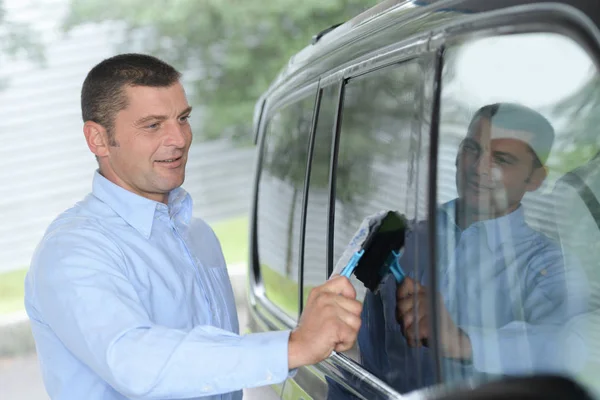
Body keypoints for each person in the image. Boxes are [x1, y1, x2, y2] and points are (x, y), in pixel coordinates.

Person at [23, 53, 363, 400]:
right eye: (153, 125)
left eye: (182, 119)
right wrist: (293, 347)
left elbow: (211, 367)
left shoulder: (197, 235)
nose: (179, 138)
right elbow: (134, 360)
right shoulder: (72, 250)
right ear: (97, 139)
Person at [355, 103, 589, 395]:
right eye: (472, 149)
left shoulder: (551, 267)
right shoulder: (401, 241)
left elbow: (571, 346)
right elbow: (366, 366)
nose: (479, 168)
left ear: (535, 179)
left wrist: (462, 342)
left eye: (501, 159)